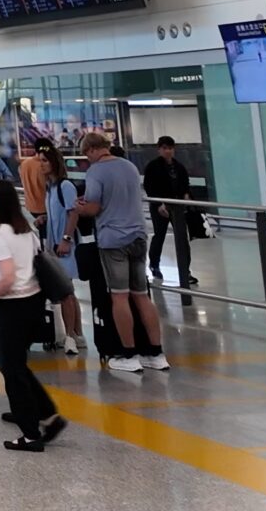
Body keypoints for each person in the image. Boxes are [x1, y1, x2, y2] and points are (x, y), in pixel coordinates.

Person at [0, 180, 65, 452]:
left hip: (12, 306)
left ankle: (30, 433)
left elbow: (7, 277)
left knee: (13, 371)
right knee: (17, 364)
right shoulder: (25, 229)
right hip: (33, 301)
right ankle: (48, 414)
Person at [74, 132, 165, 372]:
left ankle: (128, 354)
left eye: (86, 154)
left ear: (92, 149)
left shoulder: (96, 172)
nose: (87, 159)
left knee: (119, 297)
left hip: (113, 240)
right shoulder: (129, 167)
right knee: (141, 296)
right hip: (138, 236)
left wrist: (80, 208)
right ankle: (156, 353)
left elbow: (93, 208)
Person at [38, 144, 85, 355]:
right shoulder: (51, 188)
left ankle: (71, 336)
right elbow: (58, 213)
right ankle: (76, 333)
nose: (41, 165)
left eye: (44, 161)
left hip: (64, 245)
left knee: (66, 291)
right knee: (68, 292)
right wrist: (45, 218)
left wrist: (66, 239)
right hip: (55, 245)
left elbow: (73, 213)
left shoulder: (65, 186)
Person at [145, 136, 196, 289]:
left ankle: (185, 270)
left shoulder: (179, 167)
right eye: (165, 148)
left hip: (177, 207)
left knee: (182, 238)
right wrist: (158, 203)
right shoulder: (153, 166)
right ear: (159, 149)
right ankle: (154, 264)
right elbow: (149, 187)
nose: (168, 151)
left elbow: (185, 184)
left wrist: (186, 196)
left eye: (170, 148)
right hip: (160, 206)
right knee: (159, 235)